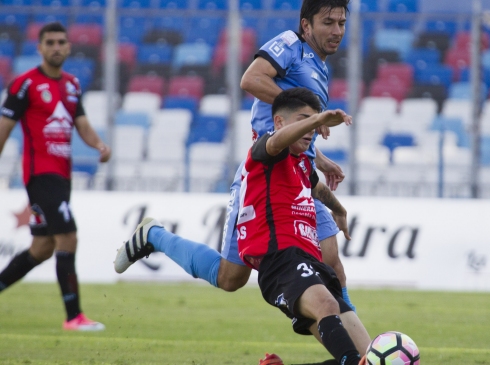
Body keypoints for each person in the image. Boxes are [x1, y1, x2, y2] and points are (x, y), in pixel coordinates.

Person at [114, 88, 371, 365]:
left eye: (313, 122)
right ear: (280, 123)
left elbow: (316, 185)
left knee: (364, 357)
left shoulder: (300, 163)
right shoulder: (266, 150)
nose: (311, 130)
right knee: (326, 307)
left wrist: (339, 209)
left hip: (307, 263)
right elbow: (271, 133)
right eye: (303, 120)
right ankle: (155, 236)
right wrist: (317, 118)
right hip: (281, 261)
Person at [214, 0, 356, 313]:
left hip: (299, 172)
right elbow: (251, 79)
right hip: (265, 171)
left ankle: (359, 354)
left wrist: (317, 156)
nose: (337, 31)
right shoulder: (290, 45)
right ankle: (154, 236)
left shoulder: (319, 67)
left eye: (341, 24)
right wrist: (309, 117)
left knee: (332, 260)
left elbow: (294, 126)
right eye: (328, 22)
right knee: (231, 278)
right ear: (306, 25)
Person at [0, 22, 110, 331]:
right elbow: (5, 128)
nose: (56, 47)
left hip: (62, 177)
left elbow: (82, 124)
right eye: (50, 42)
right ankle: (74, 316)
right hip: (40, 175)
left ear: (69, 47)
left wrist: (99, 144)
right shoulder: (25, 85)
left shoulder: (72, 84)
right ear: (40, 48)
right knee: (68, 237)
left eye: (62, 42)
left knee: (42, 247)